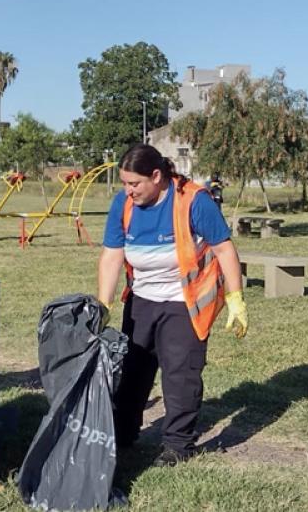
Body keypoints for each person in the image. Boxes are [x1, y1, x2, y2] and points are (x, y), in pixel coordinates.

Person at [96, 144, 248, 467]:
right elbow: (112, 255)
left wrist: (236, 299)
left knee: (181, 374)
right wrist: (103, 303)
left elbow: (224, 249)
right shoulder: (123, 204)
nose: (128, 191)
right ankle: (122, 433)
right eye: (124, 183)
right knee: (132, 370)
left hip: (184, 302)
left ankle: (177, 446)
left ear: (156, 176)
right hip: (141, 300)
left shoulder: (193, 200)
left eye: (134, 184)